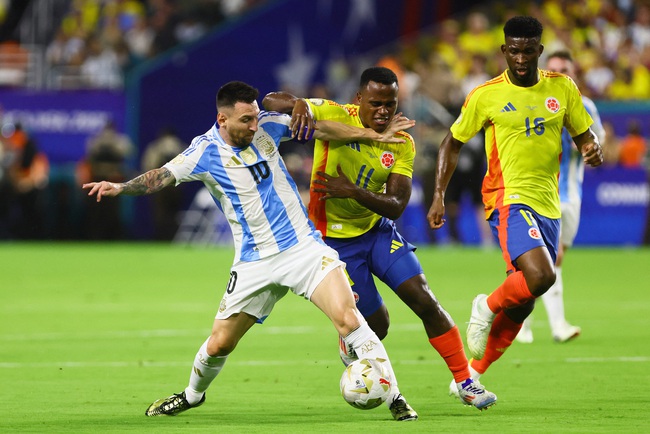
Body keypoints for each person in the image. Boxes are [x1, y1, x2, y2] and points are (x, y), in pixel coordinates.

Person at [83, 81, 419, 421]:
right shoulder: (204, 152)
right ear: (223, 119)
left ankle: (396, 399)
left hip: (303, 248)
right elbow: (161, 176)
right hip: (253, 262)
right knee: (219, 344)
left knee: (349, 319)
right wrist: (121, 187)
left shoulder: (269, 126)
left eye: (256, 117)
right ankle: (191, 395)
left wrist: (374, 137)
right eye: (246, 120)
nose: (255, 125)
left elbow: (322, 129)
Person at [262, 66, 497, 411]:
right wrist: (298, 104)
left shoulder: (402, 140)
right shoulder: (334, 115)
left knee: (425, 300)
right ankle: (352, 342)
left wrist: (353, 191)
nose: (384, 111)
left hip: (377, 232)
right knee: (379, 325)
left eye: (390, 102)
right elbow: (269, 100)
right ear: (359, 100)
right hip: (335, 244)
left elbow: (397, 205)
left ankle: (465, 381)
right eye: (376, 103)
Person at [426, 16, 603, 390]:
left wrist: (590, 148)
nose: (521, 59)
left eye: (528, 51)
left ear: (539, 51)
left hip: (548, 204)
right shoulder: (486, 94)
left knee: (524, 300)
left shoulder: (563, 89)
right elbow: (452, 142)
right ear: (503, 50)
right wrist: (439, 194)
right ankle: (484, 307)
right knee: (542, 275)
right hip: (507, 198)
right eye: (514, 51)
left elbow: (583, 134)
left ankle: (472, 375)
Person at [516, 50, 606, 344]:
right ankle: (553, 325)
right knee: (544, 260)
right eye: (552, 68)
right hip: (541, 191)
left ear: (572, 71)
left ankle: (527, 323)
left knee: (551, 261)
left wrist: (590, 147)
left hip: (571, 193)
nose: (557, 73)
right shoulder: (533, 100)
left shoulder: (585, 105)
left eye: (563, 69)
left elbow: (598, 143)